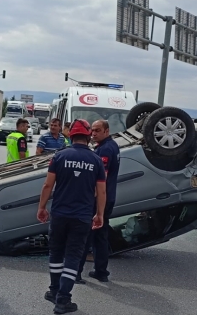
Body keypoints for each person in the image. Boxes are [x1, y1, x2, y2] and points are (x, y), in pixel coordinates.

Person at [37, 119, 106, 314]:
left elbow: (48, 185)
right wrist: (99, 214)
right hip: (82, 217)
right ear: (87, 136)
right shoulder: (96, 160)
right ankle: (63, 299)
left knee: (56, 254)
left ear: (71, 136)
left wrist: (42, 207)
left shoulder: (59, 156)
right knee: (73, 257)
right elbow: (101, 191)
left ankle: (54, 291)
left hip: (59, 214)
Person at [77, 120, 120, 283]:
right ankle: (101, 271)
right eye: (92, 131)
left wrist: (90, 198)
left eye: (97, 130)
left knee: (85, 235)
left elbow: (101, 178)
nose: (93, 134)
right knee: (100, 236)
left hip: (98, 200)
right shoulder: (112, 145)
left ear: (107, 131)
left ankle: (76, 273)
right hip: (108, 197)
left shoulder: (105, 150)